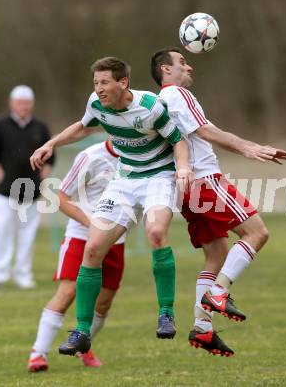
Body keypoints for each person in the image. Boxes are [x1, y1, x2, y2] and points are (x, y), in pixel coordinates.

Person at [30, 56, 193, 355]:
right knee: (92, 249)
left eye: (105, 82)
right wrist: (51, 144)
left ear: (123, 83)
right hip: (126, 178)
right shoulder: (97, 104)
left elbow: (178, 140)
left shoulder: (150, 106)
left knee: (156, 232)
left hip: (159, 174)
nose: (99, 89)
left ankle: (166, 312)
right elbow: (82, 128)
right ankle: (81, 332)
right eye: (96, 83)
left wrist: (183, 168)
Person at [151, 48, 286, 356]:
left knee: (216, 257)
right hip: (206, 182)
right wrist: (249, 147)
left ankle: (202, 329)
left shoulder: (158, 103)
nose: (189, 67)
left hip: (185, 189)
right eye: (182, 63)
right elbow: (206, 130)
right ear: (165, 70)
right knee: (257, 233)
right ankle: (219, 293)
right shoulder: (177, 94)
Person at [28, 141, 125, 372]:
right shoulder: (90, 156)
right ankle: (38, 355)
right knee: (68, 291)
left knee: (103, 303)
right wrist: (91, 224)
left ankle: (83, 345)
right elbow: (60, 197)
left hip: (116, 240)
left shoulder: (142, 154)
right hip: (81, 236)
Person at [0, 85, 55, 289]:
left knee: (27, 235)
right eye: (19, 102)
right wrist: (0, 175)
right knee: (2, 232)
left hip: (32, 194)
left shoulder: (40, 128)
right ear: (12, 103)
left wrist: (42, 177)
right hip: (5, 193)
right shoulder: (0, 126)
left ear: (31, 104)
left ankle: (23, 274)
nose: (23, 106)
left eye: (26, 103)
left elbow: (50, 156)